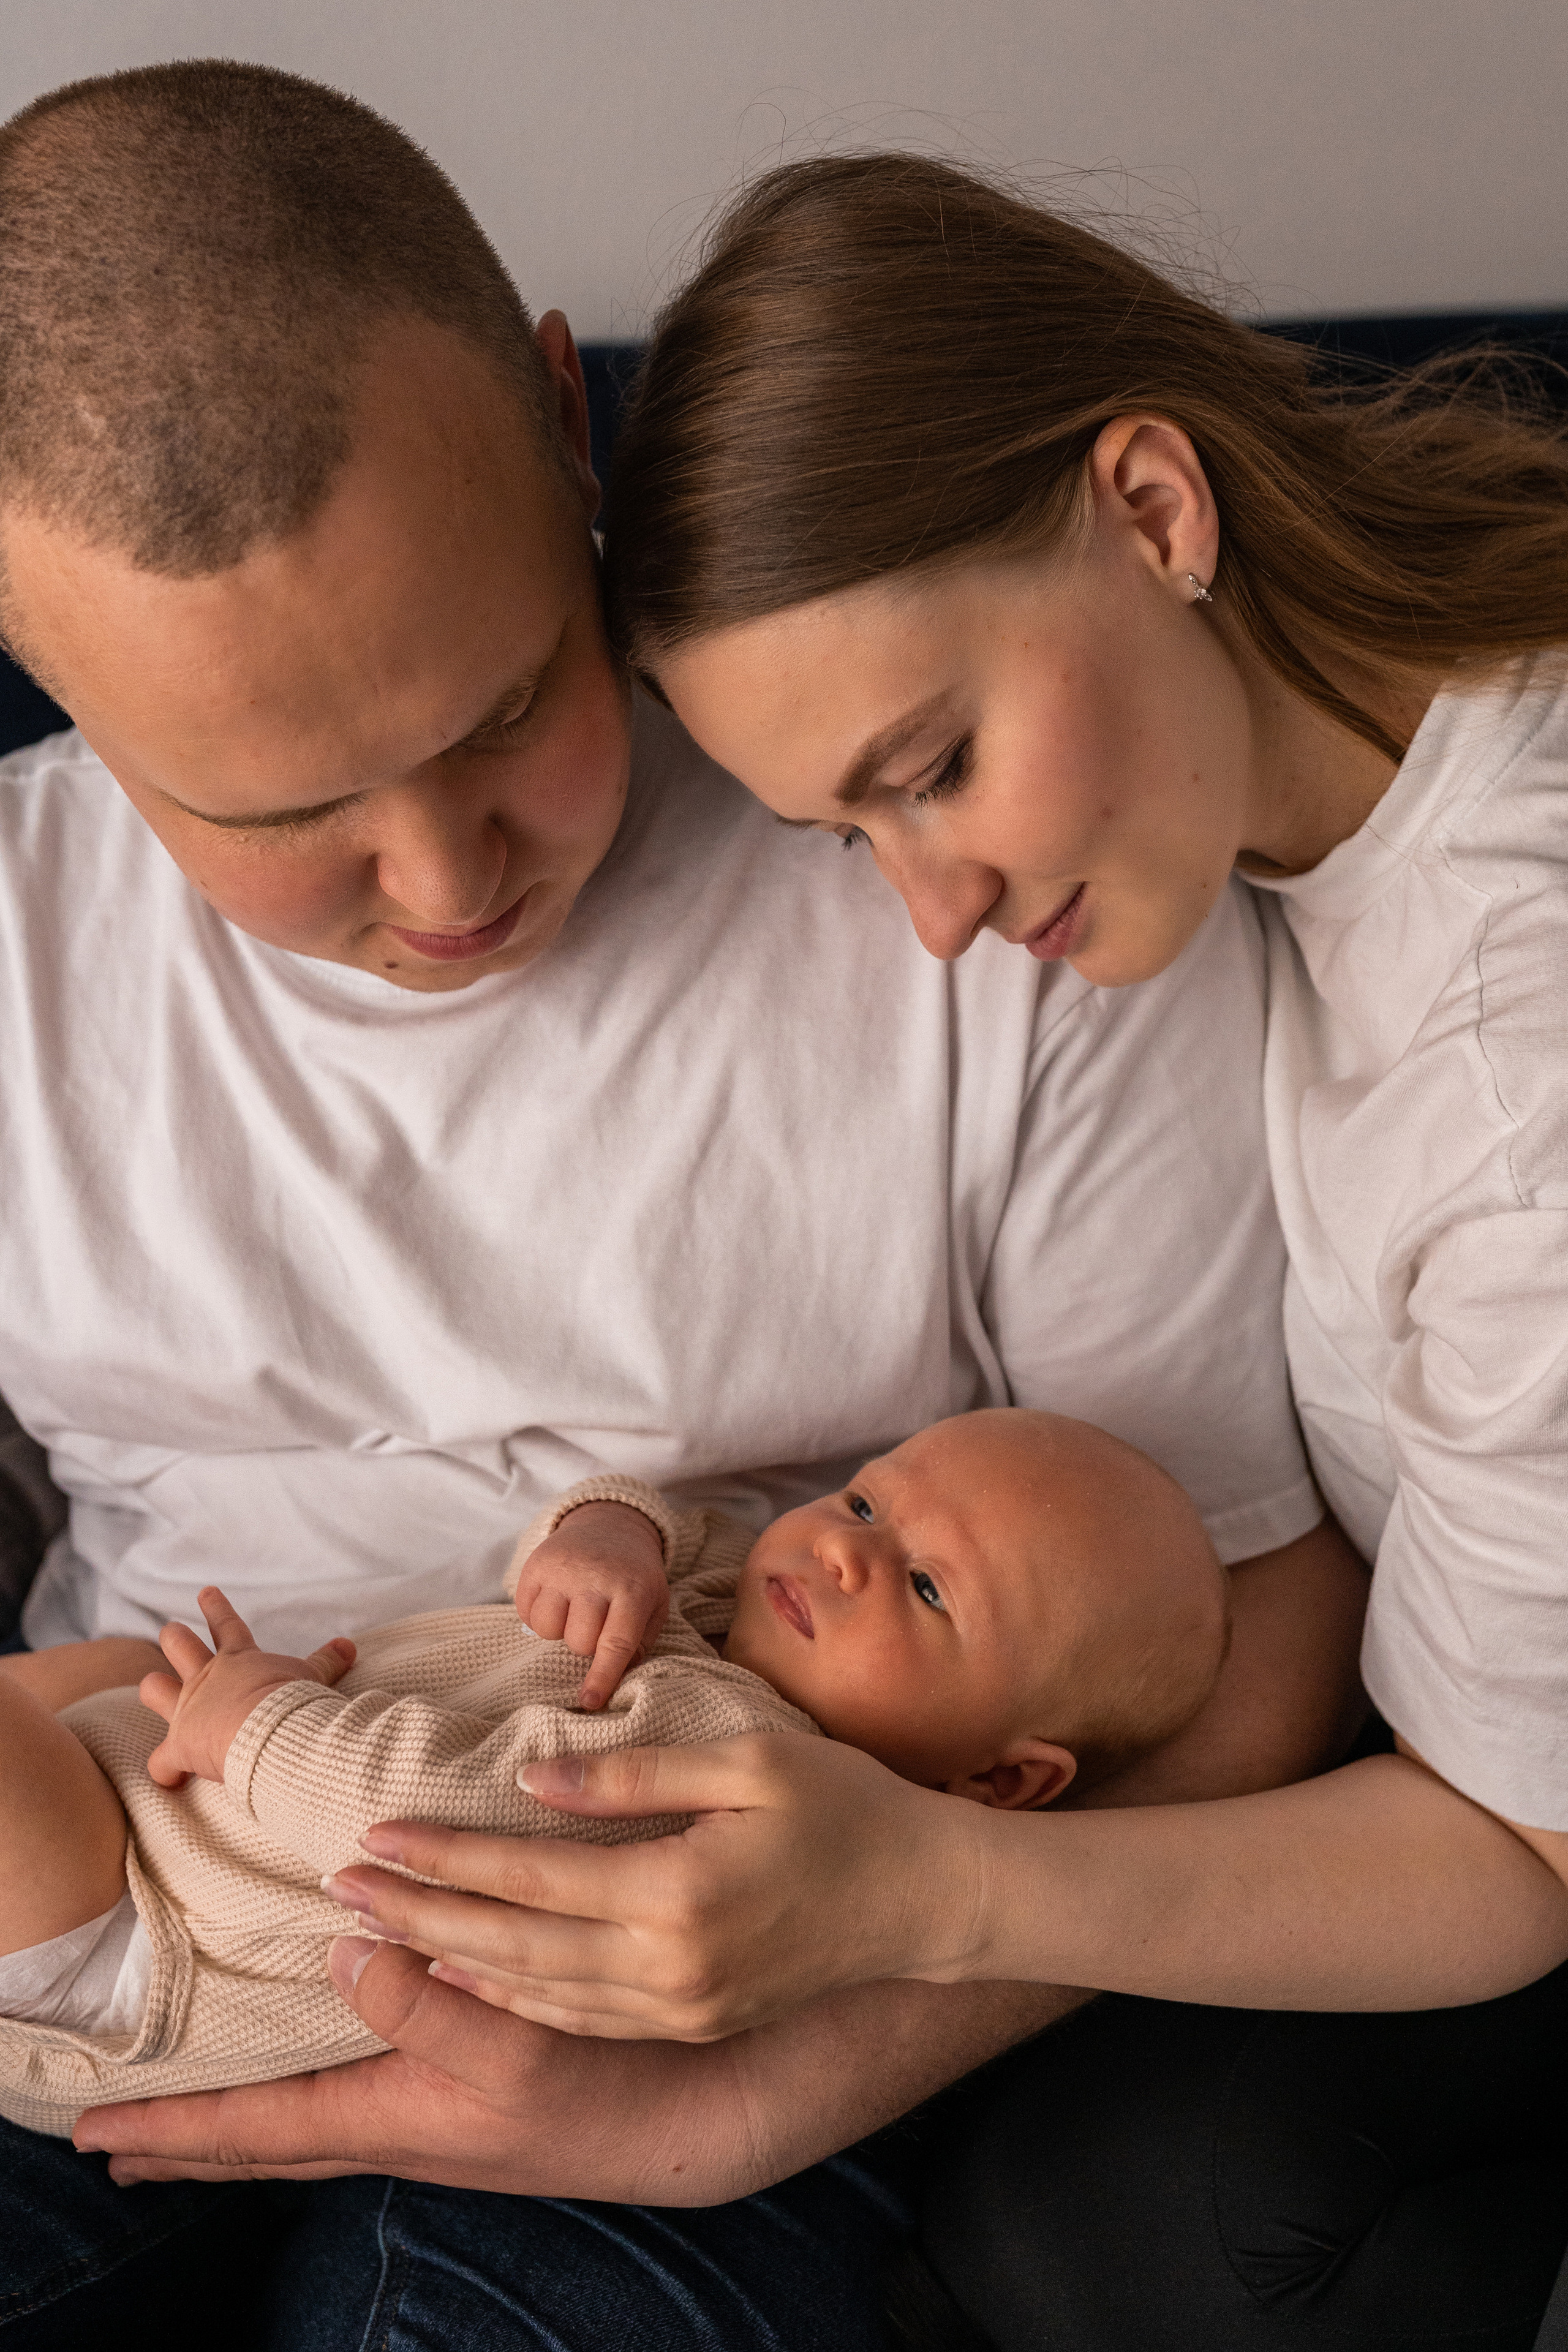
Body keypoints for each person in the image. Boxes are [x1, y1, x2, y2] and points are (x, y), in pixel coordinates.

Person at [0, 70, 1365, 2351]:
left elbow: (1248, 1614)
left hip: (739, 1967)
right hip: (104, 1887)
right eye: (284, 809)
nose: (447, 879)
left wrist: (760, 2097)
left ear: (571, 421)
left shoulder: (977, 843)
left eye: (503, 707)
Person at [296, 154, 1568, 2348]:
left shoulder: (1517, 1103)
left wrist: (935, 1886)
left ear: (1154, 507)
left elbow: (1520, 1860)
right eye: (849, 832)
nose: (939, 916)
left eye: (937, 765)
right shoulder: (1349, 767)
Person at [0, 1411, 1226, 2136]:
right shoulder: (747, 1612)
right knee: (103, 1668)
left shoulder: (735, 1781)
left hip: (149, 1938)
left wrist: (261, 1725)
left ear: (998, 1785)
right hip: (167, 1807)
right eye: (863, 1503)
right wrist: (608, 1530)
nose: (842, 1554)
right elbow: (677, 1529)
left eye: (925, 1588)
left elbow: (421, 1826)